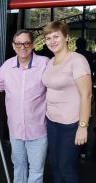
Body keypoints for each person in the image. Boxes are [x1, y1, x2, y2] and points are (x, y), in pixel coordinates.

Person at [0, 30, 49, 183]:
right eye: (18, 43)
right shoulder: (6, 66)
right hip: (16, 130)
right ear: (13, 45)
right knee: (18, 166)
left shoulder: (44, 63)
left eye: (26, 43)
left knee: (36, 171)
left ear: (32, 45)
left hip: (38, 130)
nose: (22, 47)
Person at [42, 21, 92, 183]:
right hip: (52, 121)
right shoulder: (50, 62)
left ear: (66, 37)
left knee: (66, 168)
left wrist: (82, 127)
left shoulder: (77, 60)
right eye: (48, 38)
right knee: (54, 165)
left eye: (56, 36)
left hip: (70, 124)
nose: (52, 41)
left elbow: (87, 95)